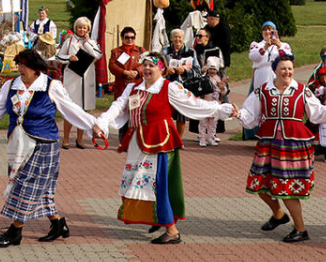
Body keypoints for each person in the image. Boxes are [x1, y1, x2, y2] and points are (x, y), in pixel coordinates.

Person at [0, 48, 99, 247]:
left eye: (23, 65)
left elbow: (71, 109)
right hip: (18, 144)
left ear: (36, 68)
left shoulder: (51, 86)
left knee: (26, 185)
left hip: (44, 144)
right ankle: (58, 225)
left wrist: (93, 125)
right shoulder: (11, 85)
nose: (19, 68)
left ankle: (15, 230)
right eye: (18, 64)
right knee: (41, 189)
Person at [95, 51, 236, 244]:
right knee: (140, 182)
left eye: (151, 65)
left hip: (159, 142)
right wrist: (102, 122)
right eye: (144, 65)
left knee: (158, 185)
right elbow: (118, 106)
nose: (146, 68)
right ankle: (158, 219)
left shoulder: (168, 88)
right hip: (139, 142)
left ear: (161, 69)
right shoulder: (133, 88)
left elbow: (191, 103)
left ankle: (171, 230)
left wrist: (219, 109)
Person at [232, 53, 326, 243]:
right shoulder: (262, 91)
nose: (287, 72)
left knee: (287, 189)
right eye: (283, 69)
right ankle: (279, 214)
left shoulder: (302, 91)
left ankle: (300, 229)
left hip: (293, 145)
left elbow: (317, 114)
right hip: (269, 144)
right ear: (275, 71)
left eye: (290, 68)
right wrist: (238, 113)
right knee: (259, 184)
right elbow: (250, 117)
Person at [54, 16, 101, 147]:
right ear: (76, 28)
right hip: (72, 79)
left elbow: (98, 55)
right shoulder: (69, 42)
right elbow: (58, 56)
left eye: (84, 28)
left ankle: (80, 139)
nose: (82, 30)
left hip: (86, 80)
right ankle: (66, 139)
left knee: (83, 112)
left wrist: (87, 43)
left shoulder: (92, 42)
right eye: (80, 27)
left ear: (88, 29)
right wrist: (69, 58)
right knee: (70, 110)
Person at [164, 29, 199, 138]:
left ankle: (178, 139)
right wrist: (166, 70)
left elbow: (198, 71)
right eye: (175, 37)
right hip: (168, 86)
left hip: (183, 86)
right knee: (166, 114)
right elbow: (157, 66)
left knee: (181, 116)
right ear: (171, 38)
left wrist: (185, 71)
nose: (177, 39)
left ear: (184, 39)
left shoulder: (190, 52)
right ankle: (167, 138)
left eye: (180, 37)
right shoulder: (165, 51)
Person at [196, 58, 226, 146]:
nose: (212, 71)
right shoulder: (203, 78)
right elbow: (199, 90)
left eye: (214, 69)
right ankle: (201, 138)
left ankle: (211, 138)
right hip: (205, 103)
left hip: (214, 104)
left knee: (213, 123)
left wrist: (222, 88)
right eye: (210, 69)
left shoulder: (218, 79)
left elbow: (223, 92)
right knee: (203, 123)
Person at [107, 26, 142, 93]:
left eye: (132, 37)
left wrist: (137, 71)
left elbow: (150, 63)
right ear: (122, 38)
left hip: (137, 86)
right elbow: (112, 66)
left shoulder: (141, 51)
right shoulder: (115, 52)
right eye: (127, 37)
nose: (130, 39)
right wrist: (125, 72)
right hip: (121, 87)